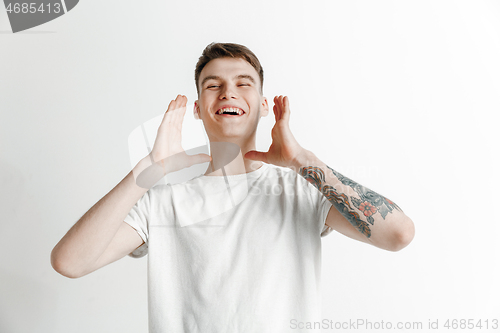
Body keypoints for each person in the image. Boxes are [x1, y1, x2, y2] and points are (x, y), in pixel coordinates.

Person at [51, 42, 415, 332]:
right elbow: (69, 262)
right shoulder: (163, 203)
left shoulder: (303, 191)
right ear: (198, 108)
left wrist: (305, 162)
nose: (228, 92)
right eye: (214, 85)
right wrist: (148, 168)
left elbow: (398, 234)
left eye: (243, 84)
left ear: (262, 106)